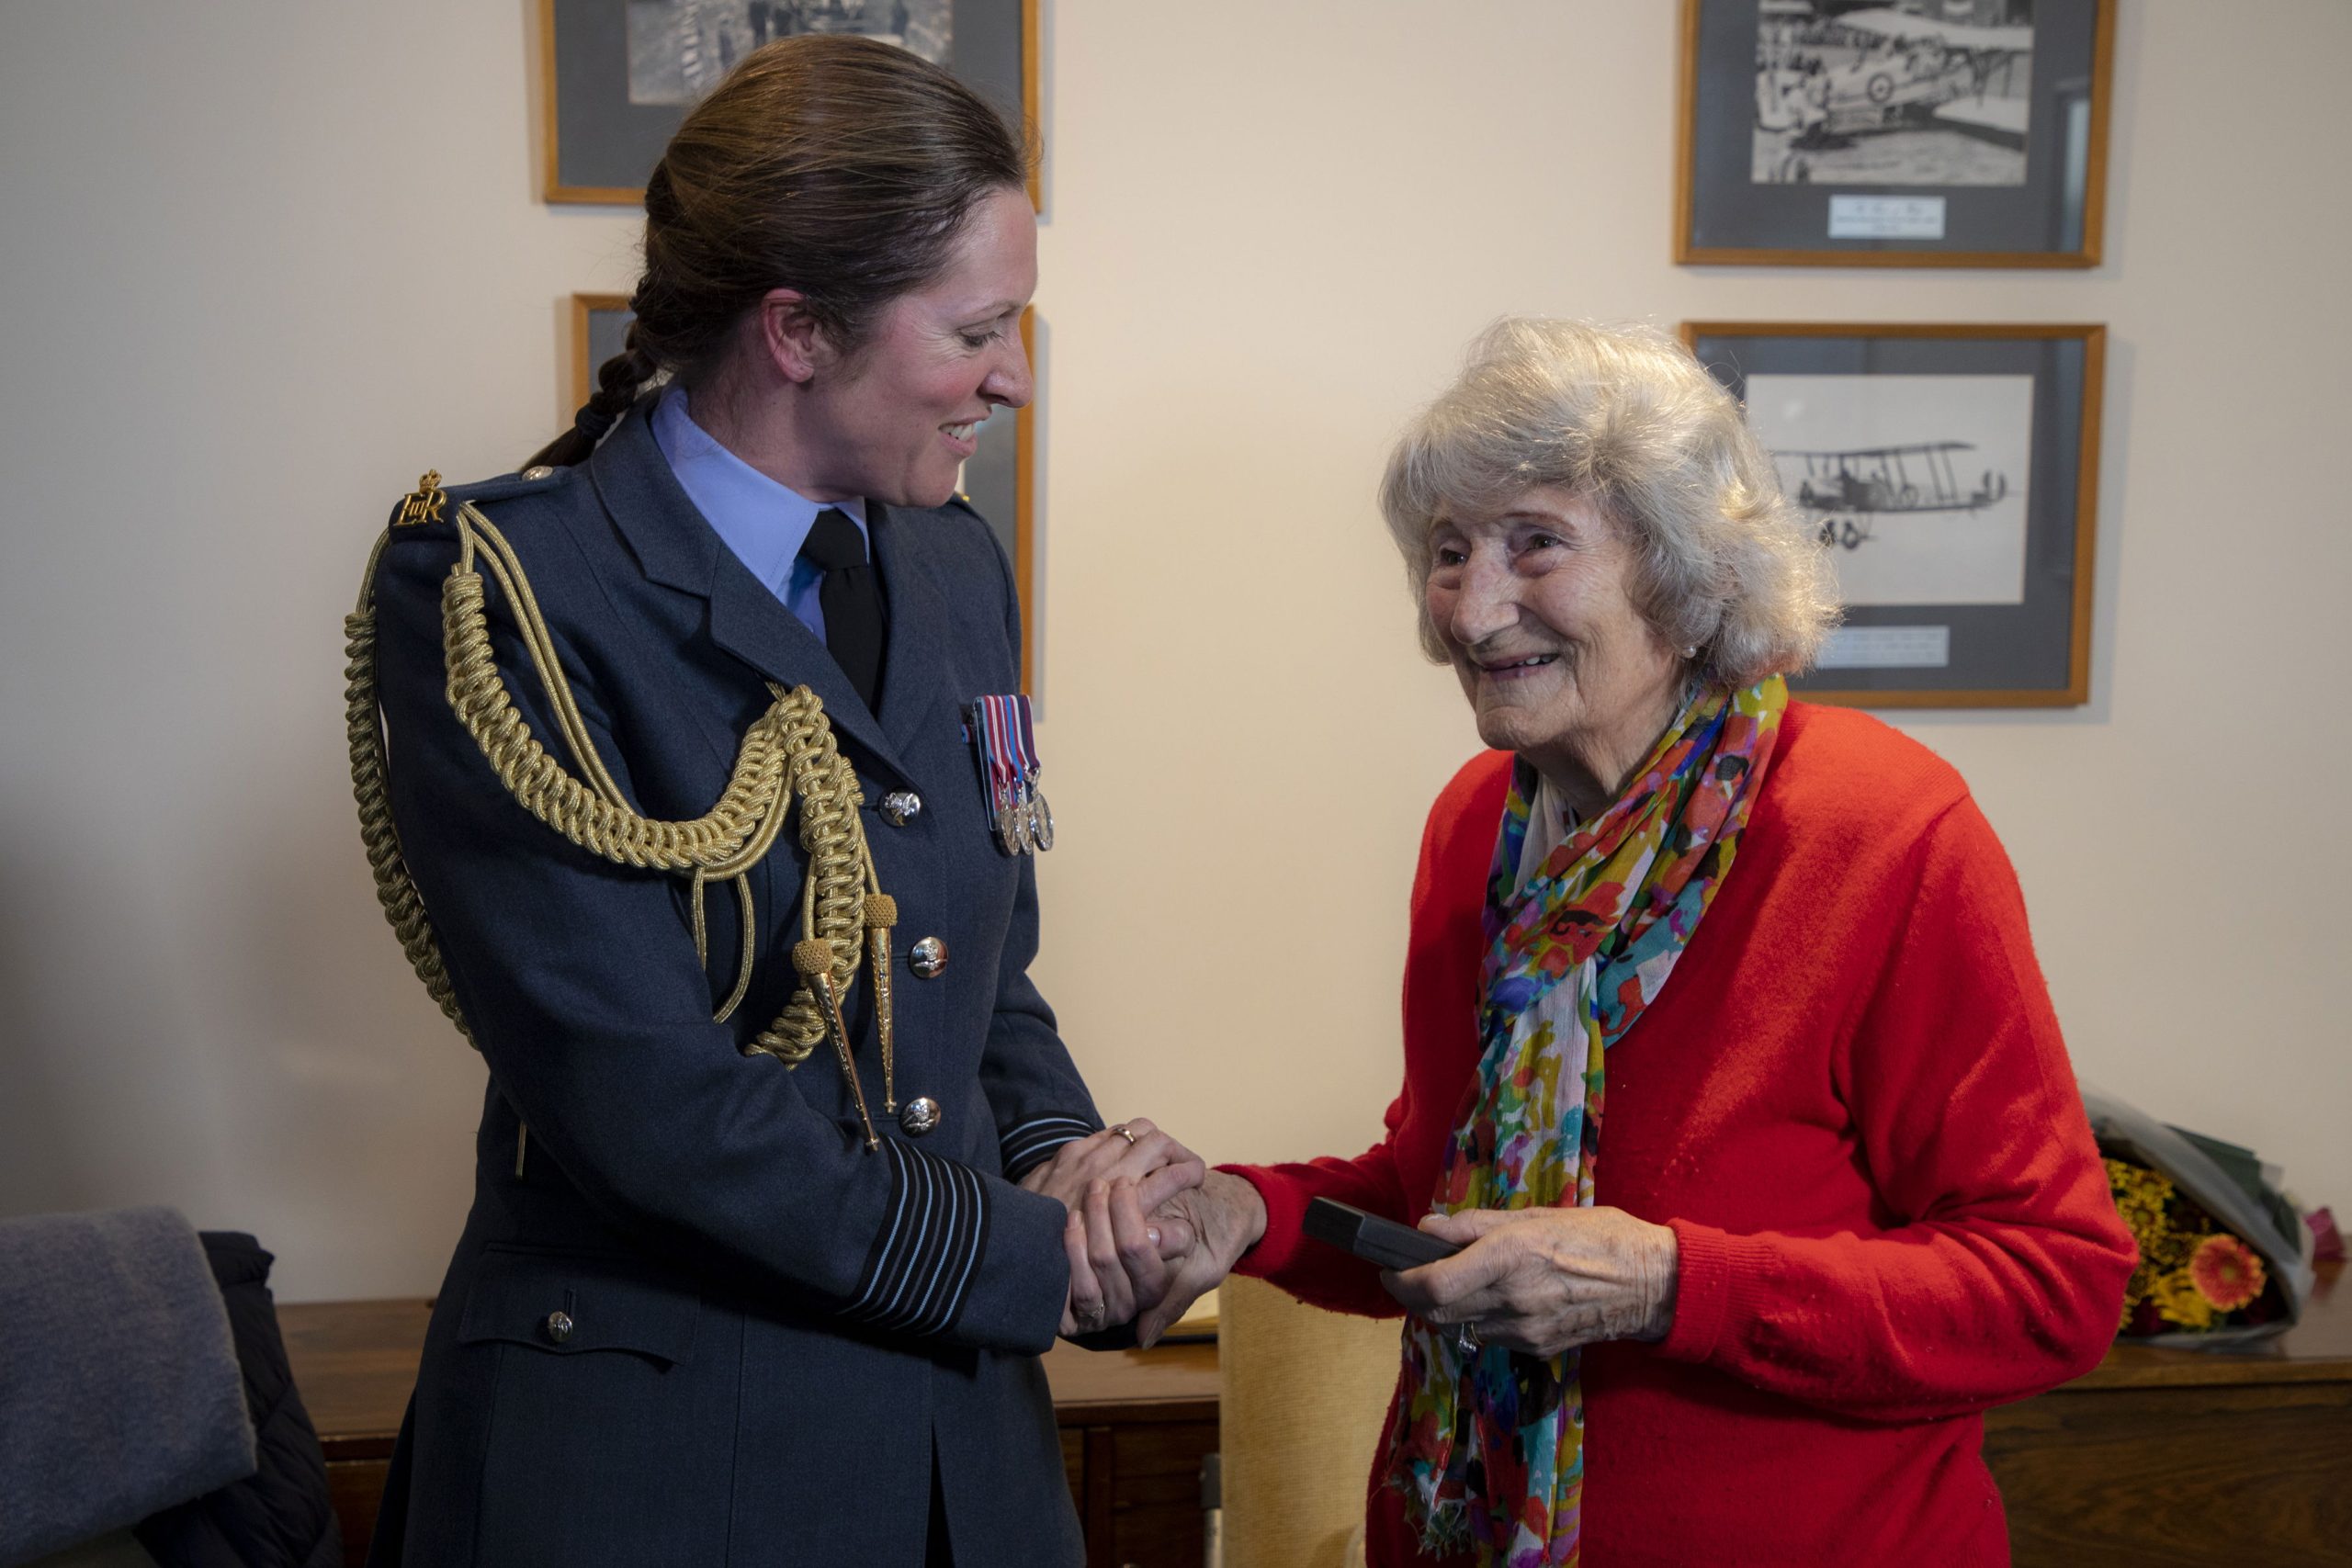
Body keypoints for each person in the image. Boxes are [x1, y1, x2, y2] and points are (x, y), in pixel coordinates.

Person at [349, 37, 1196, 1568]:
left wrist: (1074, 1163)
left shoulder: (948, 561)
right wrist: (1033, 1254)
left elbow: (977, 967)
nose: (1014, 375)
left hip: (963, 1460)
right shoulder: (504, 592)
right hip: (657, 1466)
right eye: (978, 331)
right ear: (799, 328)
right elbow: (649, 1106)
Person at [1133, 321, 2137, 1566]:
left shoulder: (1881, 830)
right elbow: (1441, 1196)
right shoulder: (1479, 830)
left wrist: (1671, 1285)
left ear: (1682, 568)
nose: (1472, 604)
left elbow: (2054, 1285)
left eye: (1534, 544)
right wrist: (1250, 1213)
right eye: (1447, 553)